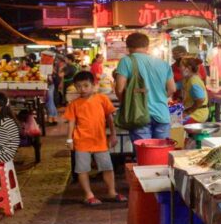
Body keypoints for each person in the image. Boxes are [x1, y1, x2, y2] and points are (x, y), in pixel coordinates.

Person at [63, 71, 122, 205]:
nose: (82, 89)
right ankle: (88, 194)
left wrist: (113, 134)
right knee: (82, 169)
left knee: (107, 167)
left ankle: (112, 192)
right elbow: (71, 122)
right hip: (81, 141)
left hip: (100, 140)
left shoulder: (102, 99)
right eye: (78, 86)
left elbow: (110, 118)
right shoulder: (74, 104)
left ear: (94, 85)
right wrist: (69, 139)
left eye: (85, 86)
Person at [114, 32, 176, 141]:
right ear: (147, 47)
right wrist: (159, 97)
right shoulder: (163, 63)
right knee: (161, 153)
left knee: (145, 153)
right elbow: (172, 89)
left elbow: (119, 89)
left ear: (128, 47)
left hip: (139, 114)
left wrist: (127, 103)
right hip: (162, 114)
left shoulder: (126, 61)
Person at [179, 58, 210, 123]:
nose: (179, 69)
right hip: (195, 112)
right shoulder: (187, 79)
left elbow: (200, 99)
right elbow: (175, 86)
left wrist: (188, 112)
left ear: (188, 68)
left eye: (181, 67)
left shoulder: (194, 81)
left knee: (174, 124)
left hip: (198, 114)